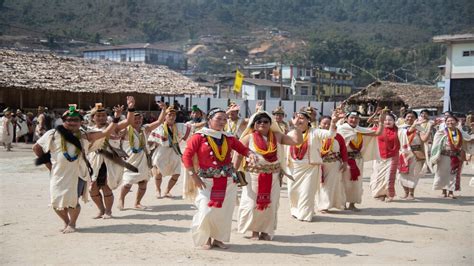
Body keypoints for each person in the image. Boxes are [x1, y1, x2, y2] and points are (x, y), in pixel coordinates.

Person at [32, 104, 122, 233]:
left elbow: (105, 133)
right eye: (69, 120)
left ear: (81, 122)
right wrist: (49, 165)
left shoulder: (85, 135)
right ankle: (66, 222)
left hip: (79, 173)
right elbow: (36, 147)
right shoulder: (52, 134)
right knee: (56, 202)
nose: (73, 123)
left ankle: (72, 224)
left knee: (73, 201)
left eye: (76, 120)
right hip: (58, 173)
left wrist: (116, 118)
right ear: (64, 121)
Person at [182, 107, 258, 250]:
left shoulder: (228, 137)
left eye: (224, 119)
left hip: (228, 181)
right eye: (218, 118)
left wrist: (251, 154)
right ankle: (206, 239)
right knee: (206, 210)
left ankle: (218, 239)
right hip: (206, 181)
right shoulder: (199, 136)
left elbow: (242, 149)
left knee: (224, 212)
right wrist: (194, 176)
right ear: (209, 119)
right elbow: (186, 156)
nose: (222, 122)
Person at [234, 110, 302, 240]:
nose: (262, 124)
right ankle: (254, 231)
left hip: (273, 176)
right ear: (254, 124)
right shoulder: (248, 138)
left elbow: (296, 141)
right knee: (251, 204)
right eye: (259, 121)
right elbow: (238, 155)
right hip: (253, 175)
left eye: (265, 121)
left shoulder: (277, 136)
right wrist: (234, 172)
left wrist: (296, 127)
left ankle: (266, 231)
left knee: (271, 205)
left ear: (270, 124)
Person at [286, 108, 343, 221]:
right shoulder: (291, 133)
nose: (299, 120)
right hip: (293, 167)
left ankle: (305, 214)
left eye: (302, 118)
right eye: (297, 117)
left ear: (308, 120)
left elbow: (331, 135)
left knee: (306, 192)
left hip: (310, 168)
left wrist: (333, 122)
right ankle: (296, 211)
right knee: (293, 192)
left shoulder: (315, 132)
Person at [87, 97, 135, 219]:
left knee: (106, 186)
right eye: (98, 116)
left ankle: (108, 211)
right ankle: (101, 209)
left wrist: (130, 107)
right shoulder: (88, 130)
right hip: (93, 162)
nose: (101, 118)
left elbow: (129, 122)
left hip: (109, 161)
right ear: (93, 118)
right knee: (92, 188)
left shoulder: (114, 127)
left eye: (103, 115)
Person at [118, 102, 167, 210]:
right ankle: (121, 199)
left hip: (144, 160)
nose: (138, 120)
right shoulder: (125, 130)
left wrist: (163, 110)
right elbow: (116, 132)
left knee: (143, 183)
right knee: (127, 183)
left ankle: (137, 203)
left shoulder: (145, 129)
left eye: (139, 118)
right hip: (130, 160)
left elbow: (159, 122)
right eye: (135, 118)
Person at [337, 110, 386, 211]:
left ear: (359, 120)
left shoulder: (360, 130)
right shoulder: (341, 129)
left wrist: (381, 122)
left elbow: (377, 133)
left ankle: (352, 204)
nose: (354, 120)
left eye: (356, 118)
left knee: (356, 183)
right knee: (344, 182)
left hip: (358, 160)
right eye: (352, 117)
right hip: (345, 160)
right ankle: (343, 204)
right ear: (347, 119)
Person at [148, 105, 193, 198]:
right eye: (169, 115)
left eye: (174, 115)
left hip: (174, 151)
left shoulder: (180, 126)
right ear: (165, 116)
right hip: (162, 151)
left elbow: (193, 127)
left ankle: (167, 191)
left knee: (176, 174)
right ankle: (158, 190)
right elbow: (151, 140)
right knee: (159, 173)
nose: (172, 117)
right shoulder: (159, 127)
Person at [431, 115, 473, 199]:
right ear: (445, 123)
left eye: (452, 121)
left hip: (456, 156)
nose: (450, 122)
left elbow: (469, 139)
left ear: (457, 122)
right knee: (442, 174)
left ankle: (451, 191)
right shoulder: (441, 132)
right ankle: (443, 191)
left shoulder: (460, 132)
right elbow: (436, 144)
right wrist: (435, 155)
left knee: (453, 174)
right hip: (444, 156)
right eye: (448, 121)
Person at [397, 110, 436, 200]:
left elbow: (424, 139)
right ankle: (405, 192)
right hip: (403, 154)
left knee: (413, 174)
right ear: (404, 118)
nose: (410, 118)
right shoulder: (400, 128)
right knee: (401, 175)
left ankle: (411, 193)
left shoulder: (419, 128)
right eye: (408, 116)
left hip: (416, 153)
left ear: (415, 118)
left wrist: (429, 128)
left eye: (412, 117)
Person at [317, 115, 348, 212]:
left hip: (334, 164)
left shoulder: (338, 136)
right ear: (320, 124)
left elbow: (343, 150)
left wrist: (345, 162)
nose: (326, 125)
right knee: (321, 185)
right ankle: (322, 205)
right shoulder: (316, 136)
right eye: (324, 123)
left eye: (328, 123)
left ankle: (331, 204)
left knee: (332, 184)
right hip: (320, 164)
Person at [369, 113, 401, 202]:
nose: (387, 122)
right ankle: (379, 194)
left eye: (390, 120)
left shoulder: (399, 131)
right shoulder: (377, 129)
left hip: (393, 156)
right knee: (378, 176)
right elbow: (367, 134)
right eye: (385, 120)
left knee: (389, 177)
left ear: (394, 121)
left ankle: (389, 194)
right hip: (379, 157)